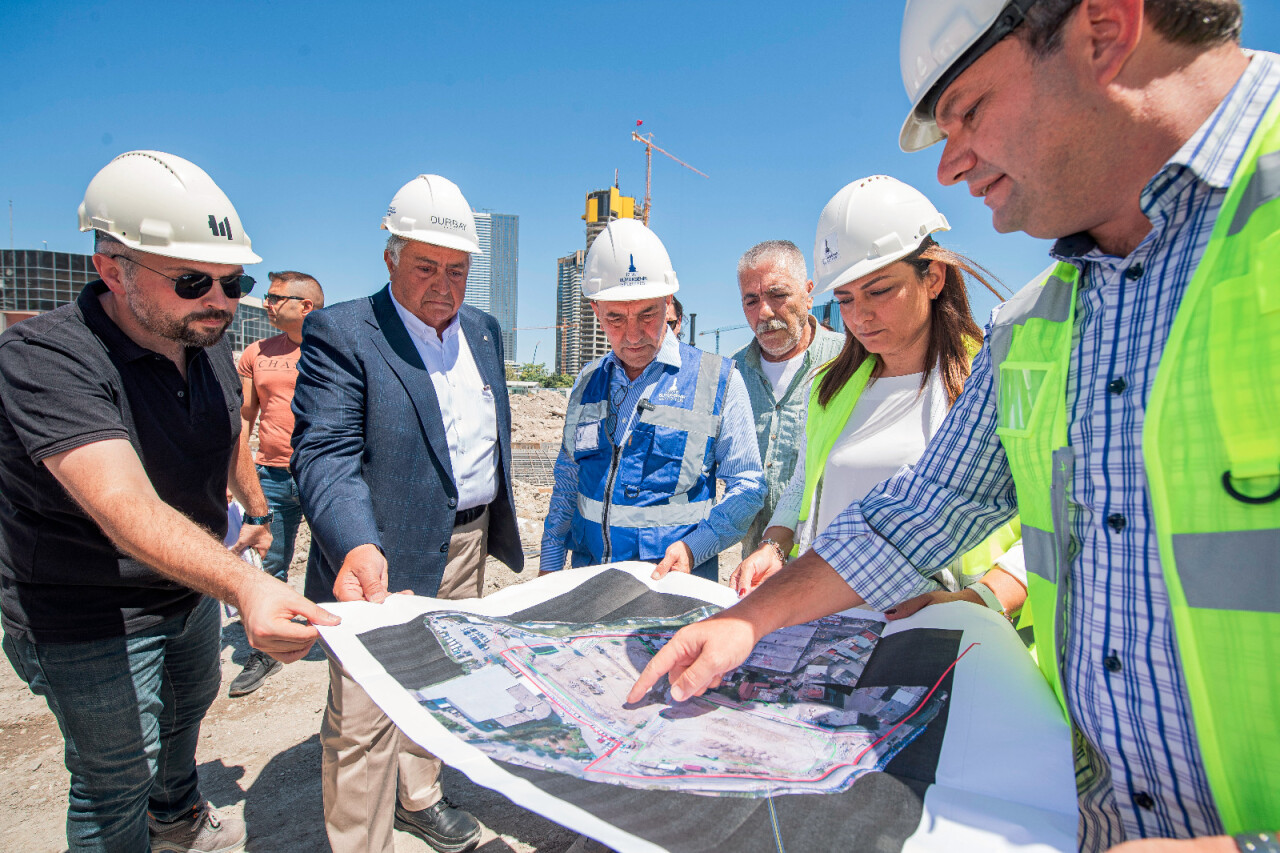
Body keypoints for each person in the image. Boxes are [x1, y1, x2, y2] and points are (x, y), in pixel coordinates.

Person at [631, 1, 1279, 850]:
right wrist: (750, 619)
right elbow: (916, 514)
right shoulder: (1039, 325)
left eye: (968, 110)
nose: (951, 165)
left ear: (1105, 30)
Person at [0, 150, 336, 853]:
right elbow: (122, 503)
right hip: (88, 610)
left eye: (232, 282)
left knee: (185, 718)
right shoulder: (43, 357)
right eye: (192, 281)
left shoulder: (205, 340)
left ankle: (178, 817)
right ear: (113, 269)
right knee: (113, 778)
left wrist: (258, 508)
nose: (220, 300)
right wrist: (246, 583)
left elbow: (223, 438)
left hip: (187, 589)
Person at [292, 173, 523, 853]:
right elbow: (325, 454)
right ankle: (360, 841)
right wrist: (356, 544)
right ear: (390, 256)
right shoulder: (343, 332)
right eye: (426, 265)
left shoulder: (483, 331)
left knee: (439, 683)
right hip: (381, 553)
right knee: (363, 714)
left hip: (467, 544)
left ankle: (420, 794)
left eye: (457, 269)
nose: (444, 284)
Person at [731, 178, 1024, 617]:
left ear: (933, 278)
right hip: (830, 621)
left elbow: (1052, 514)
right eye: (845, 298)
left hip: (947, 622)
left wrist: (984, 597)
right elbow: (806, 480)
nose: (859, 315)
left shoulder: (990, 378)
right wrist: (776, 543)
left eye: (879, 290)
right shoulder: (832, 385)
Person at [539, 219, 765, 581]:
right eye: (615, 318)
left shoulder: (719, 380)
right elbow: (568, 481)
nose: (632, 335)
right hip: (591, 580)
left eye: (647, 314)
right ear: (596, 311)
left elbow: (749, 486)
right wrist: (549, 566)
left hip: (672, 588)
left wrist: (697, 546)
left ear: (668, 301)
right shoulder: (586, 381)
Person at [228, 270, 324, 696]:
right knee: (270, 561)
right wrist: (236, 477)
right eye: (266, 297)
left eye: (274, 297)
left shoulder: (334, 348)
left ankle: (338, 636)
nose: (266, 303)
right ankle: (267, 649)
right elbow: (245, 418)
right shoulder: (257, 353)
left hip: (325, 475)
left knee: (337, 558)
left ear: (305, 305)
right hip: (273, 475)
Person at [730, 240, 845, 555]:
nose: (764, 312)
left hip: (835, 571)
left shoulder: (849, 362)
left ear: (809, 293)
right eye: (751, 300)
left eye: (778, 295)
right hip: (756, 571)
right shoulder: (730, 376)